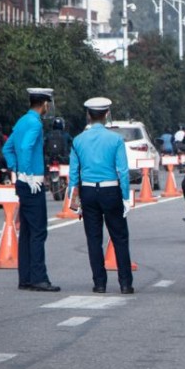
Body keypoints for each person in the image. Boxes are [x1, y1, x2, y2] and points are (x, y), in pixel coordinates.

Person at [68, 97, 134, 294]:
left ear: (88, 115)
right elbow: (122, 171)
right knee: (120, 237)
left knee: (93, 239)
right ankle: (125, 283)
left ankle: (99, 283)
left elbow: (73, 173)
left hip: (88, 191)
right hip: (111, 190)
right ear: (106, 115)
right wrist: (125, 197)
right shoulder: (115, 139)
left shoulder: (78, 140)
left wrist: (74, 198)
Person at [2, 88, 60, 292]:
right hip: (32, 182)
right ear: (44, 104)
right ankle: (38, 278)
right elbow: (26, 148)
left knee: (27, 231)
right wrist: (27, 173)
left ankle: (25, 278)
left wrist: (16, 169)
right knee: (38, 232)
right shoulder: (35, 123)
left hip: (23, 182)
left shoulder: (21, 121)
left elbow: (7, 149)